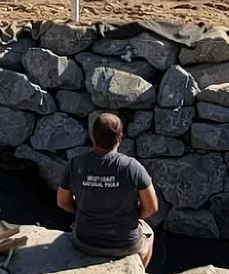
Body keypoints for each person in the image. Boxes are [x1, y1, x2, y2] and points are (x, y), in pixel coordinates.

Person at [57, 112, 159, 264]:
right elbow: (151, 207)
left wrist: (81, 210)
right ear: (119, 138)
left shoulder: (75, 164)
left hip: (85, 242)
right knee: (149, 234)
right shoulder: (132, 167)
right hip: (125, 244)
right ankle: (141, 273)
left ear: (93, 137)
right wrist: (133, 216)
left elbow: (62, 202)